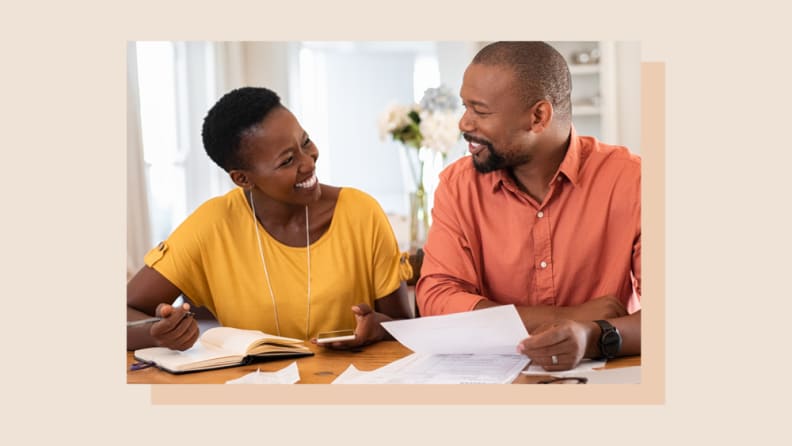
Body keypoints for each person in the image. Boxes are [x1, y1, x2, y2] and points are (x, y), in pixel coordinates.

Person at [128, 86, 412, 351]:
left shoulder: (361, 212)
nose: (309, 162)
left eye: (306, 142)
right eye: (287, 161)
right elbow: (124, 315)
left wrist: (377, 328)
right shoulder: (212, 226)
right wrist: (157, 333)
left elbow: (404, 326)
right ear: (242, 179)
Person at [416, 41, 641, 371]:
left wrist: (591, 336)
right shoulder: (457, 186)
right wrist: (566, 318)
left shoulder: (632, 180)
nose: (464, 123)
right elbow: (437, 299)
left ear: (538, 116)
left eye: (480, 111)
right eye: (465, 107)